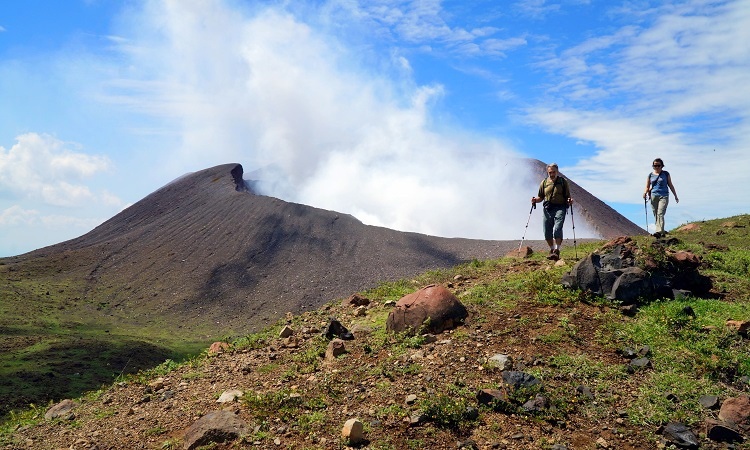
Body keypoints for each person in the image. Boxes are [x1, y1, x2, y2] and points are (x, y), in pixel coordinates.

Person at [532, 163, 573, 260]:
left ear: (557, 171)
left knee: (558, 228)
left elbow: (568, 196)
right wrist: (535, 200)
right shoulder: (544, 182)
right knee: (547, 231)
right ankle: (551, 249)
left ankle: (557, 250)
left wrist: (569, 201)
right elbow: (541, 197)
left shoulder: (563, 182)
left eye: (554, 172)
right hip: (548, 208)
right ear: (547, 172)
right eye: (550, 172)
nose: (552, 174)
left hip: (560, 207)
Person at [643, 158, 679, 238]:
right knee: (656, 214)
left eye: (658, 165)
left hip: (664, 195)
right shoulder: (650, 175)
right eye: (655, 165)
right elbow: (647, 186)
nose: (657, 167)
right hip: (653, 196)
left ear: (662, 166)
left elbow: (670, 185)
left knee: (660, 213)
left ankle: (659, 231)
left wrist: (675, 196)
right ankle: (660, 231)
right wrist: (645, 193)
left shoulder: (666, 174)